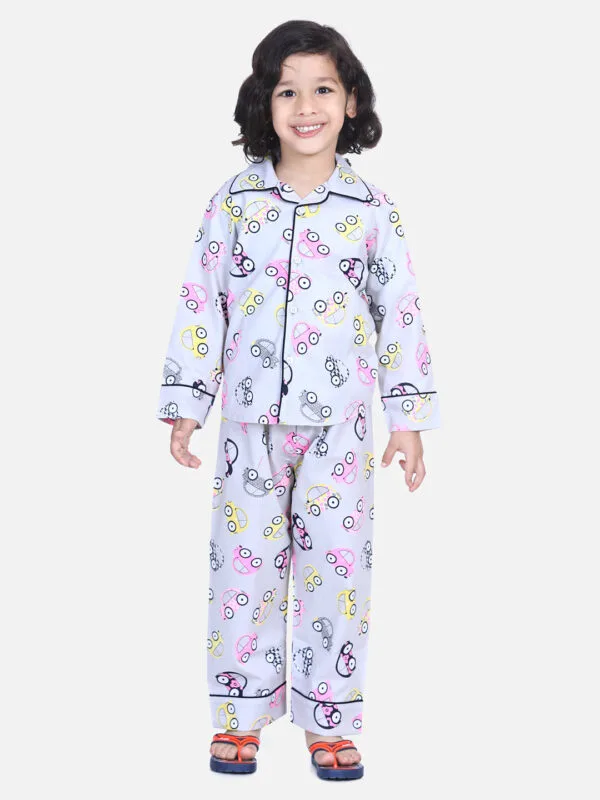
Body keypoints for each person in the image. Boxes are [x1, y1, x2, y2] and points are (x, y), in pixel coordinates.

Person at [156, 19, 441, 780]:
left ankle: (330, 720)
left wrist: (408, 419)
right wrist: (187, 401)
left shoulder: (371, 209)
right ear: (265, 102)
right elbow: (203, 300)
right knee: (242, 569)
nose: (306, 106)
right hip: (248, 425)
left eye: (323, 89)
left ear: (352, 103)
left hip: (340, 428)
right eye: (288, 91)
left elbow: (400, 313)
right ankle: (239, 714)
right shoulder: (235, 201)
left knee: (337, 573)